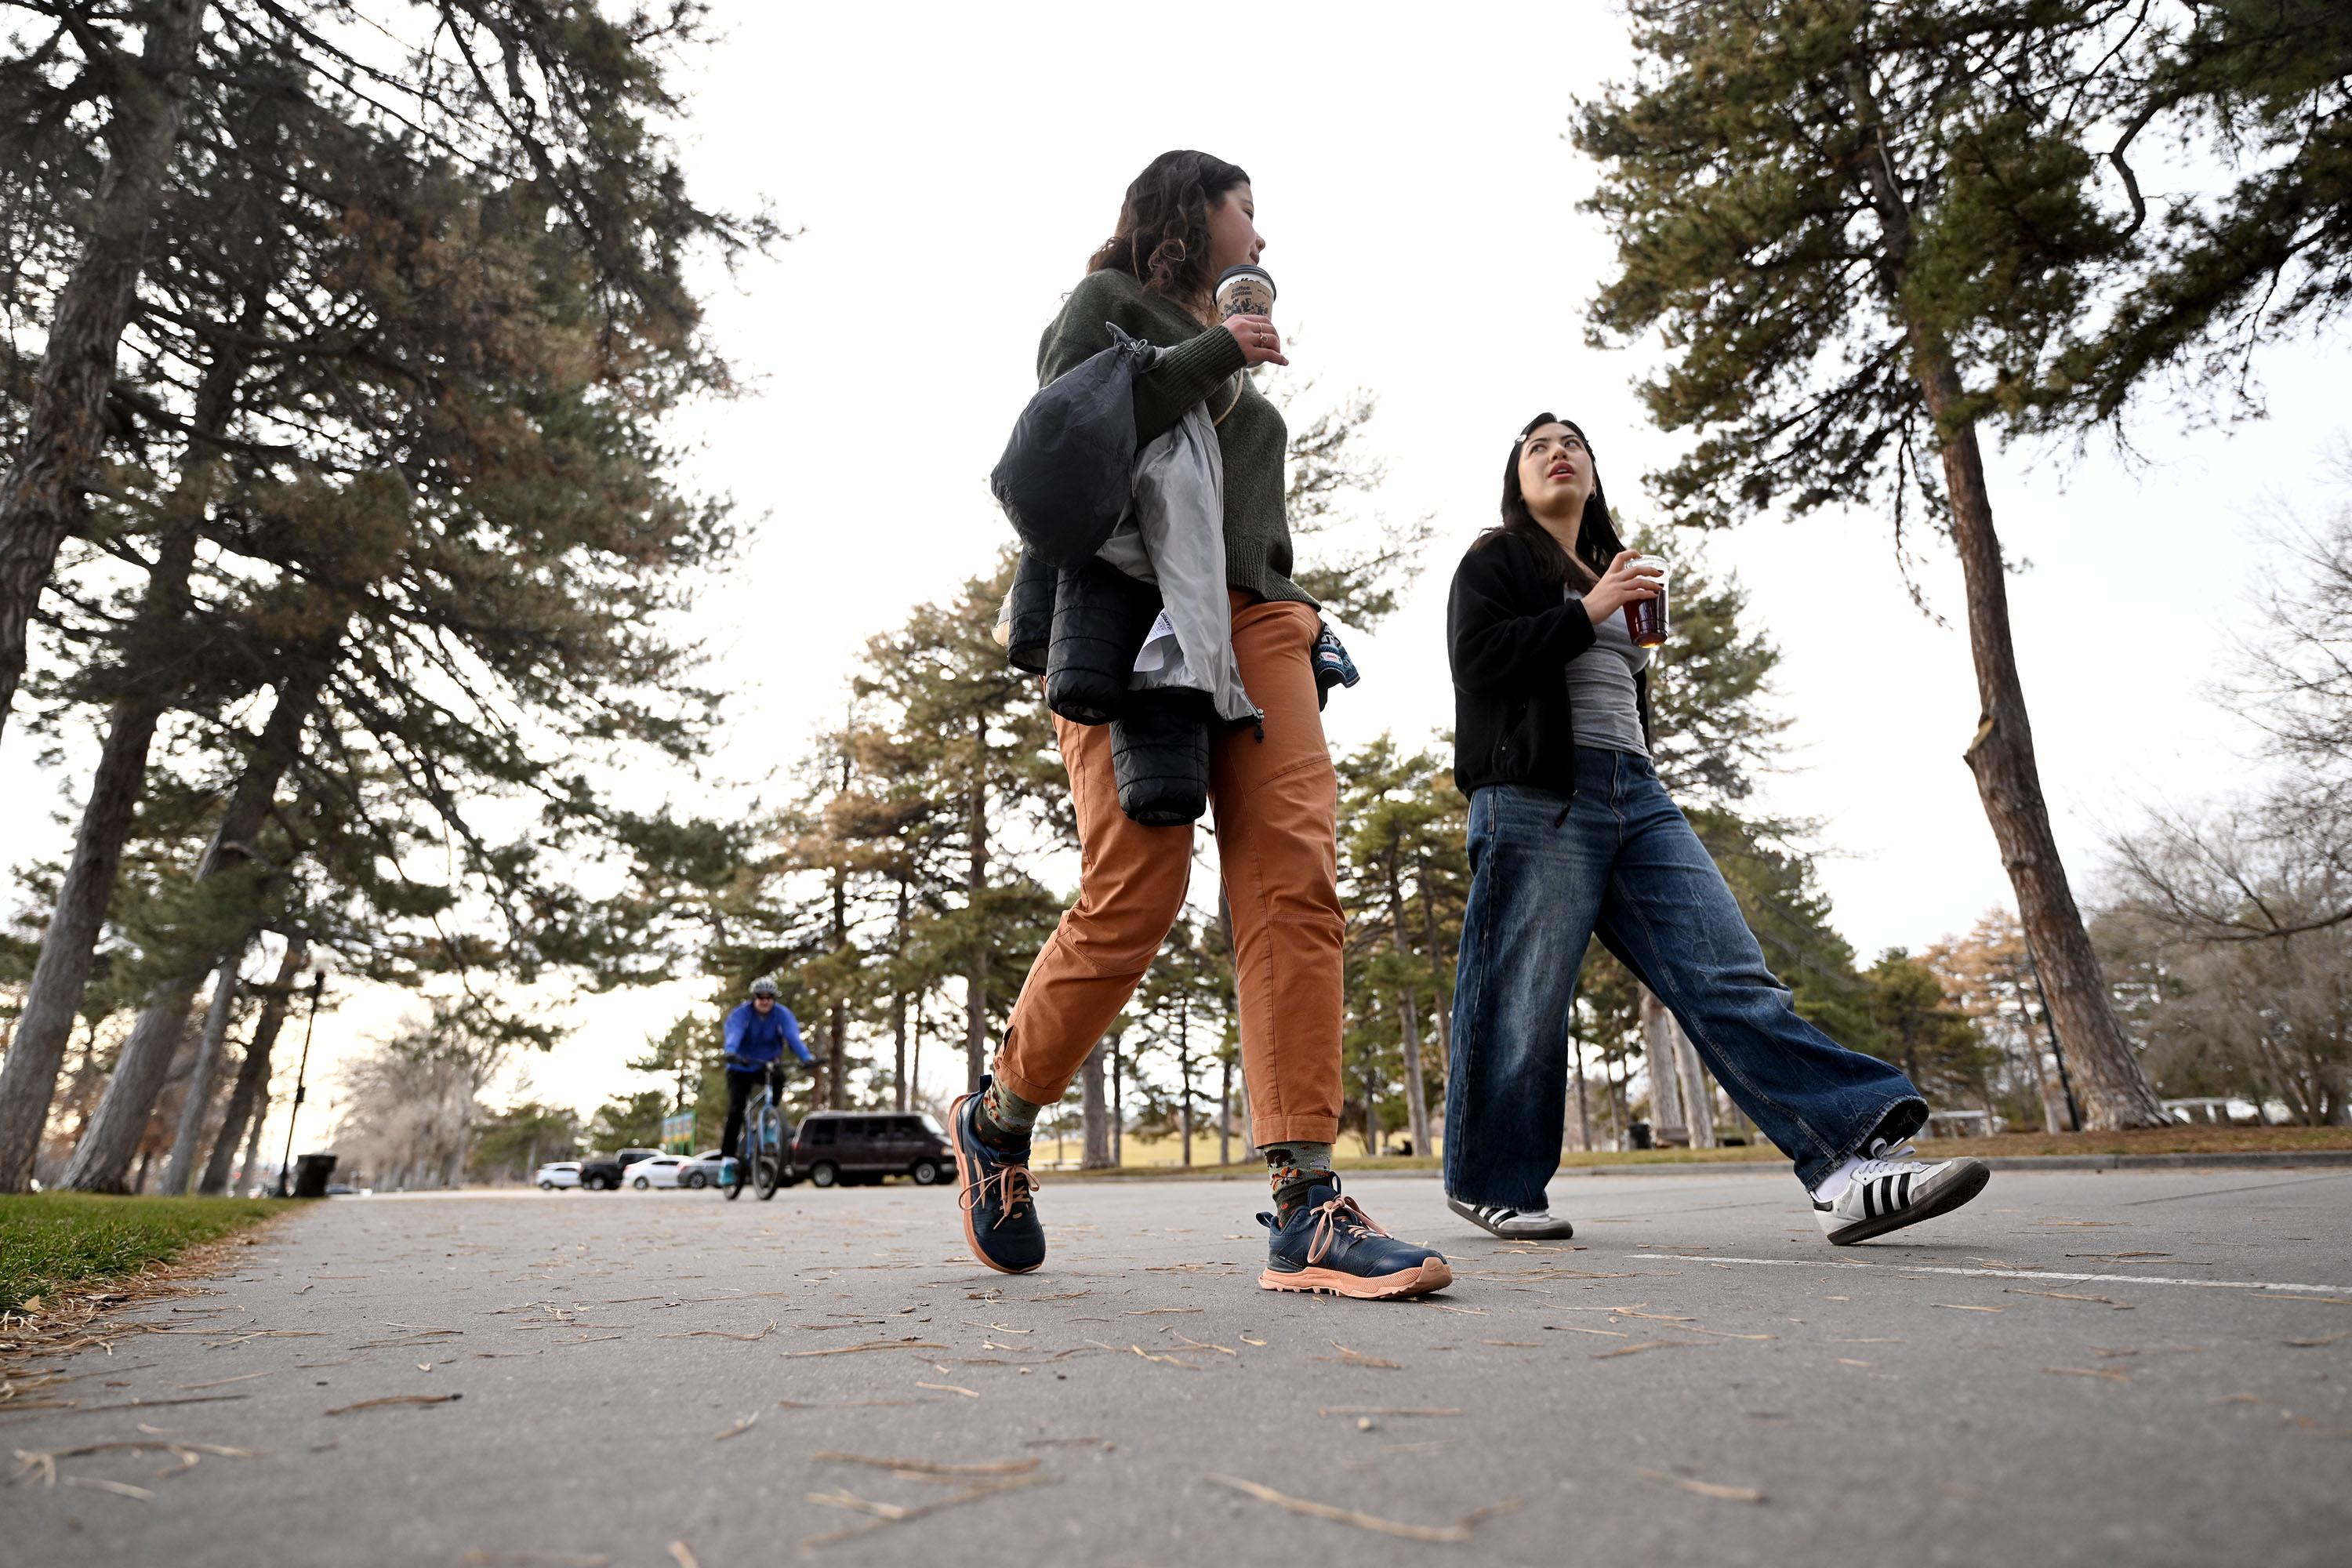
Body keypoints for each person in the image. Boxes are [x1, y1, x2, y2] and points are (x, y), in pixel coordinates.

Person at [951, 150, 1450, 1299]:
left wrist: (1292, 606)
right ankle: (998, 1117)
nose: (1263, 242)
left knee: (1293, 879)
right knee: (1140, 889)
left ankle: (1306, 1202)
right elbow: (1071, 457)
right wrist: (1219, 350)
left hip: (1261, 620)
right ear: (1190, 209)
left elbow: (1233, 508)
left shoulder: (1236, 366)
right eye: (1248, 213)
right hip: (1132, 624)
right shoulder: (1103, 307)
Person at [1441, 414, 1991, 1245]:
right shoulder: (1498, 556)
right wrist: (1589, 609)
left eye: (1574, 444)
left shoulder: (1622, 569)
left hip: (1639, 793)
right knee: (1526, 998)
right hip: (1538, 795)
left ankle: (1843, 1164)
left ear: (1593, 473)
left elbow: (1628, 689)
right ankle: (1495, 1181)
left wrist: (1615, 608)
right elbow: (1478, 662)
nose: (1559, 451)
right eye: (1537, 445)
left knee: (1730, 973)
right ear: (1516, 478)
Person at [722, 978, 813, 1169]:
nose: (765, 1001)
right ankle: (727, 1161)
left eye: (769, 997)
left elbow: (793, 1037)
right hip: (740, 1065)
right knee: (736, 1109)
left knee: (779, 1077)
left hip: (766, 1064)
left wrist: (806, 1057)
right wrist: (731, 1051)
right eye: (760, 997)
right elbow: (734, 1033)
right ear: (753, 998)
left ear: (774, 998)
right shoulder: (741, 1014)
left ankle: (770, 1122)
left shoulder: (782, 1014)